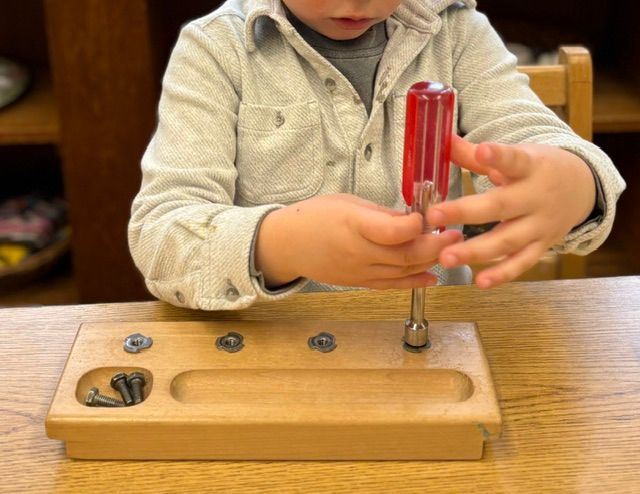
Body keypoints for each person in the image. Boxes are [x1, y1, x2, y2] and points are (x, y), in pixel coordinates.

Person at [128, 0, 625, 310]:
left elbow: (528, 136)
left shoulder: (457, 31)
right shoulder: (215, 49)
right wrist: (278, 243)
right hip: (271, 347)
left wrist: (575, 183)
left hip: (437, 331)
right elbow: (160, 236)